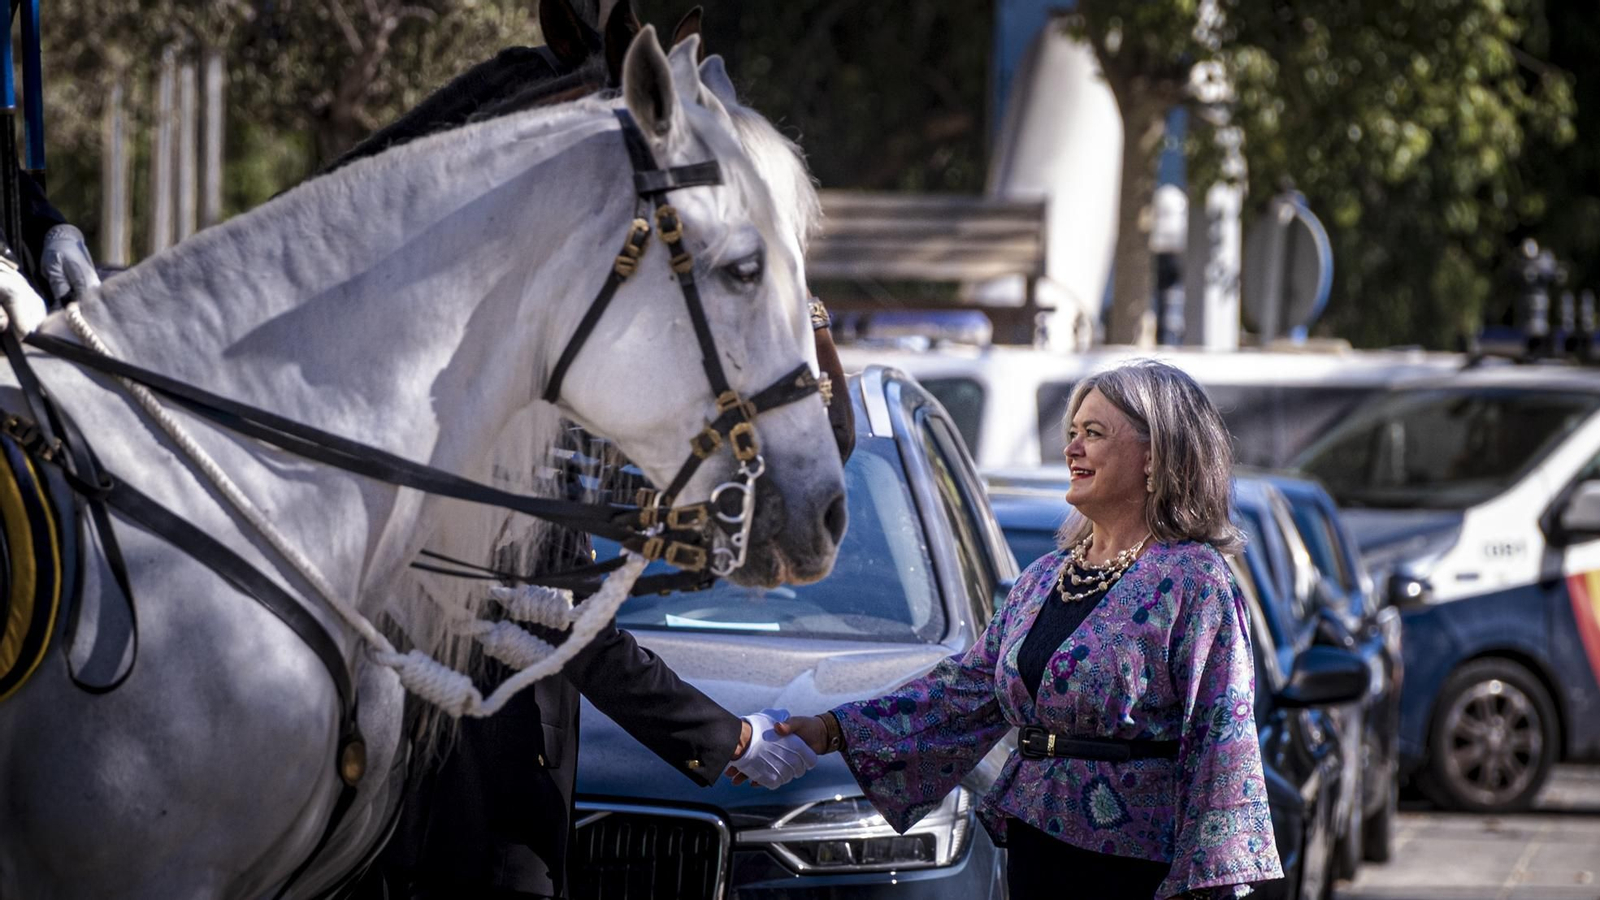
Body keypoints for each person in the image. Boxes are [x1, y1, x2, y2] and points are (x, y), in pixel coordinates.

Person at [770, 360, 1284, 899]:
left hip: (1136, 867)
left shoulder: (1193, 579)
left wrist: (1210, 883)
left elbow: (1222, 736)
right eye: (1072, 432)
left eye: (1093, 433)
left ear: (1154, 454)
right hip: (1036, 845)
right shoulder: (1044, 577)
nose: (1072, 449)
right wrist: (830, 729)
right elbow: (964, 691)